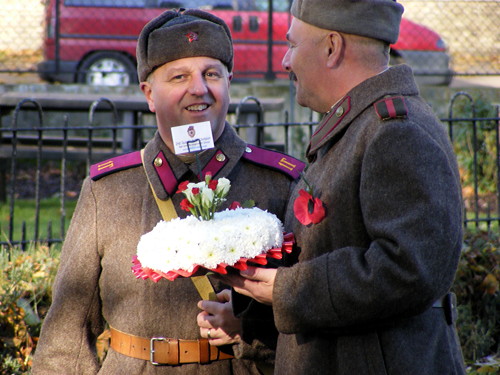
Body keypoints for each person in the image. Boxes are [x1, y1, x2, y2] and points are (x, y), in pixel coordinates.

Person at [32, 8, 304, 374]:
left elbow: (310, 322)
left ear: (229, 82)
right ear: (148, 93)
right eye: (179, 76)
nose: (199, 88)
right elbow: (68, 331)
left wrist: (249, 330)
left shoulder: (280, 183)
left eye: (212, 74)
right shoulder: (108, 190)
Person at [221, 0, 467, 374]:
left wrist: (288, 290)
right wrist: (253, 310)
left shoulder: (395, 131)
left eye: (291, 45)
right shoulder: (362, 124)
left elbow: (408, 270)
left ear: (332, 48)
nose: (285, 61)